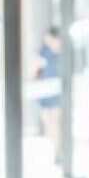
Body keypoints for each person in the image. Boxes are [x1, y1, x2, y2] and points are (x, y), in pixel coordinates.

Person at [35, 26, 63, 164]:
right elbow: (37, 70)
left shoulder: (62, 52)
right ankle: (56, 147)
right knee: (48, 123)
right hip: (45, 92)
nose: (47, 40)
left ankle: (58, 152)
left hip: (57, 93)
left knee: (56, 123)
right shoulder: (43, 51)